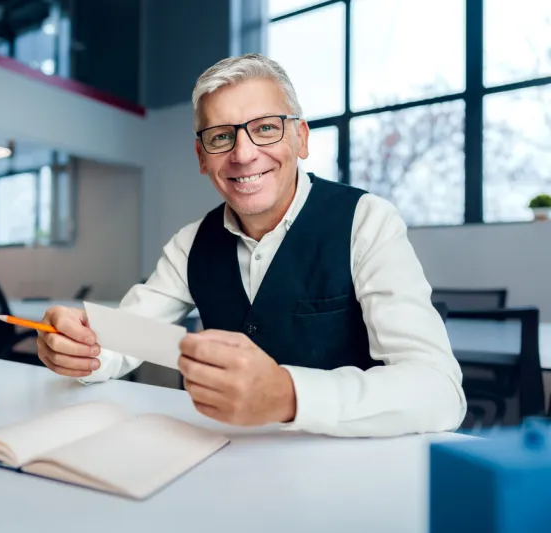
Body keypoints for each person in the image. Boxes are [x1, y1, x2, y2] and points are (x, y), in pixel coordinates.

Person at [36, 54, 466, 437]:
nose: (243, 154)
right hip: (227, 465)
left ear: (301, 138)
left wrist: (289, 395)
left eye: (264, 128)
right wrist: (81, 349)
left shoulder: (366, 221)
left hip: (350, 475)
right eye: (221, 137)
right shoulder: (190, 245)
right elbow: (126, 338)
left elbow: (439, 391)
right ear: (202, 157)